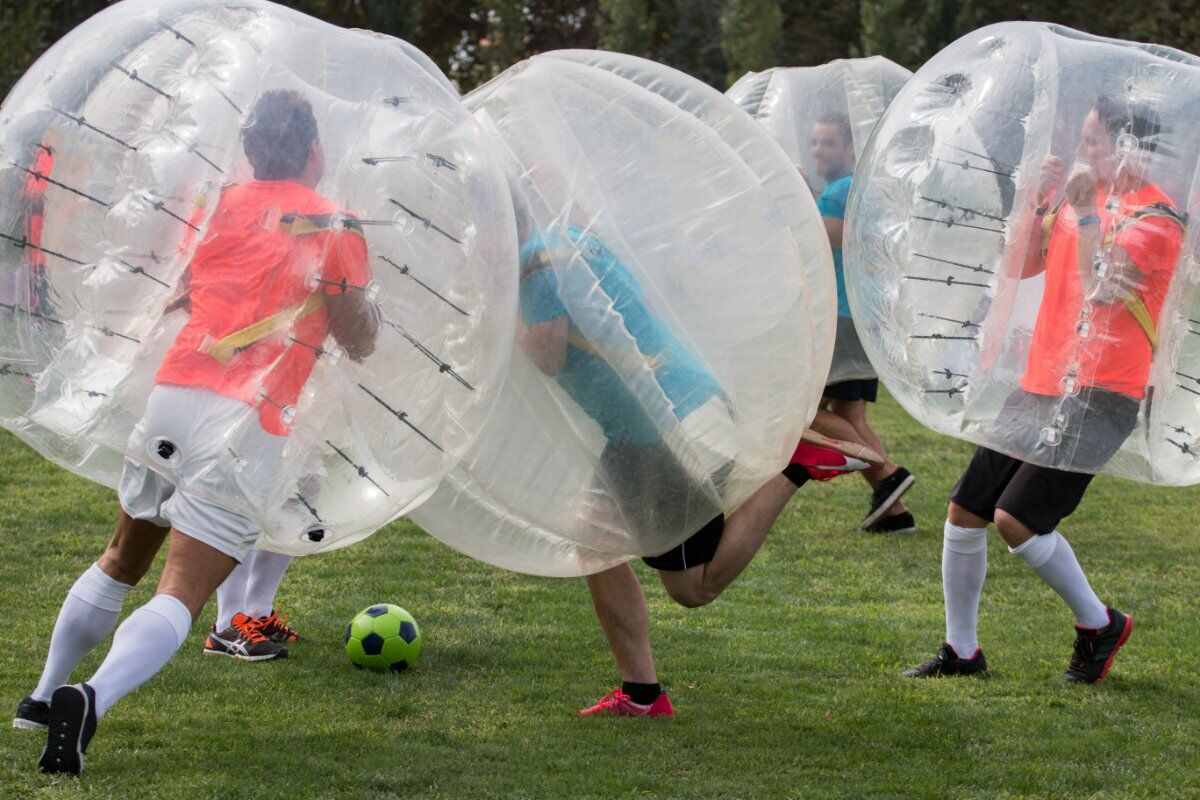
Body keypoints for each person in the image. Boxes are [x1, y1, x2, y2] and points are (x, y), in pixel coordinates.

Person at [22, 89, 378, 775]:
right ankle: (90, 698)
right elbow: (356, 338)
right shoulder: (333, 221)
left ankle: (39, 697)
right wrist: (363, 300)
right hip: (247, 419)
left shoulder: (215, 204)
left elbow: (179, 285)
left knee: (120, 557)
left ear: (249, 149)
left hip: (174, 393)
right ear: (313, 150)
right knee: (180, 590)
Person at [513, 205, 883, 715]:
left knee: (694, 587)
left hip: (668, 430)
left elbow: (549, 352)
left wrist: (505, 335)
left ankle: (796, 463)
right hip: (643, 425)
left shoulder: (536, 265)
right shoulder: (572, 240)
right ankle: (642, 695)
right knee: (593, 536)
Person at [905, 95, 1182, 684]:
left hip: (1101, 393)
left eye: (1092, 142)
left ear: (1128, 148)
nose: (1080, 151)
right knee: (966, 510)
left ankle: (1099, 623)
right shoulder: (1081, 201)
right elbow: (1022, 263)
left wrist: (1080, 210)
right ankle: (962, 652)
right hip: (1042, 383)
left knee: (1016, 519)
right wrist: (1039, 199)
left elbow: (1099, 287)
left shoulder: (1157, 220)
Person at [809, 112, 916, 534]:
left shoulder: (840, 192)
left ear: (850, 149)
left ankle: (888, 473)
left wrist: (796, 196)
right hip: (861, 314)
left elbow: (825, 239)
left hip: (840, 316)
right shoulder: (860, 187)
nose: (818, 151)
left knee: (803, 413)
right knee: (850, 415)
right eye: (815, 142)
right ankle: (896, 513)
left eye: (828, 143)